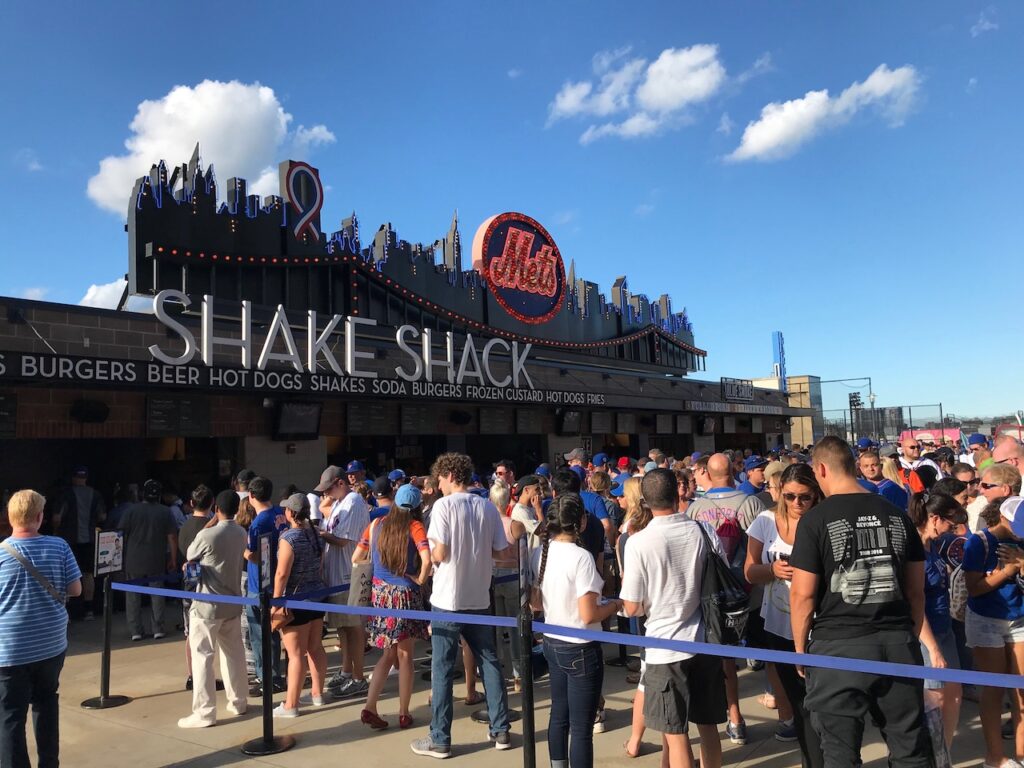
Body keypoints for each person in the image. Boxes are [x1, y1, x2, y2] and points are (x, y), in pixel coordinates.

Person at [789, 436, 932, 767]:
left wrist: (800, 648)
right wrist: (908, 633)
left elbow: (802, 594)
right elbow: (915, 591)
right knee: (910, 745)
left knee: (840, 751)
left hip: (837, 647)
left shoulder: (815, 520)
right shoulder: (898, 516)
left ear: (821, 468)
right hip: (896, 642)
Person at [410, 452, 520, 759]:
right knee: (490, 662)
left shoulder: (443, 507)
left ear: (448, 476)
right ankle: (501, 730)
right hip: (479, 597)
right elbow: (501, 551)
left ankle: (440, 738)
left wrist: (433, 553)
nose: (438, 484)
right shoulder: (486, 505)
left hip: (447, 599)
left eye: (439, 479)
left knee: (442, 670)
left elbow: (440, 553)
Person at [621, 469, 726, 768]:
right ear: (677, 493)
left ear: (644, 500)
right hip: (707, 640)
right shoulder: (704, 531)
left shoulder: (639, 543)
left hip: (664, 646)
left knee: (676, 732)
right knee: (708, 725)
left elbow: (632, 607)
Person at [530, 494, 622, 768]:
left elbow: (536, 603)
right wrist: (615, 604)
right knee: (581, 729)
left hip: (553, 641)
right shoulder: (581, 558)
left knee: (558, 715)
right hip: (581, 646)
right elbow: (589, 614)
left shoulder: (540, 553)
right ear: (580, 522)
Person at [744, 463, 824, 768]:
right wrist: (772, 569)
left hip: (818, 626)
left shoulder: (821, 519)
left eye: (804, 496)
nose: (797, 504)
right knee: (798, 702)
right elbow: (749, 572)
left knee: (820, 705)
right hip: (778, 625)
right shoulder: (765, 522)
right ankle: (810, 759)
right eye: (789, 496)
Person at [685, 452, 763, 743]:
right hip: (747, 592)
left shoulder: (695, 509)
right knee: (759, 655)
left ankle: (727, 718)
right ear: (734, 472)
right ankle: (747, 717)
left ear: (708, 473)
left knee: (718, 658)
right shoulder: (751, 503)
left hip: (710, 594)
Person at [0, 490, 82, 768]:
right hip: (50, 645)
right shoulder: (59, 546)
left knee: (10, 716)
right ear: (40, 516)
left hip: (9, 650)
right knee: (46, 704)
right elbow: (75, 588)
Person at [356, 483, 431, 730]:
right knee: (406, 655)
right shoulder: (415, 526)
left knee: (388, 652)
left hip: (380, 595)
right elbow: (427, 559)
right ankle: (403, 712)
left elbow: (356, 557)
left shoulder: (376, 525)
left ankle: (370, 705)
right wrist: (420, 579)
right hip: (404, 595)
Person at [177, 490, 249, 728]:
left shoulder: (208, 534)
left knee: (203, 657)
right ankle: (238, 701)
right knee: (234, 653)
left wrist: (210, 524)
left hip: (207, 604)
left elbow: (190, 553)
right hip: (233, 602)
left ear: (217, 508)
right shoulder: (241, 532)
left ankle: (205, 712)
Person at [962, 495, 1024, 768]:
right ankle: (995, 758)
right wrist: (1009, 569)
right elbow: (974, 588)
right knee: (994, 691)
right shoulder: (979, 542)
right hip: (986, 619)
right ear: (1003, 517)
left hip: (1020, 619)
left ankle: (1021, 757)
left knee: (1021, 692)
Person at [907, 491, 966, 752]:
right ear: (934, 518)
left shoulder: (933, 546)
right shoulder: (914, 549)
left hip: (944, 629)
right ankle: (932, 757)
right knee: (934, 702)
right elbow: (915, 603)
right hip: (925, 636)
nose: (953, 530)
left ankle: (944, 755)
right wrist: (933, 649)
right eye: (950, 525)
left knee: (953, 695)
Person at [317, 465, 372, 699]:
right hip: (337, 574)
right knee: (342, 627)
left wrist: (321, 534)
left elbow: (343, 540)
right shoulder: (340, 503)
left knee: (354, 627)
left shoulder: (354, 502)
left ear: (340, 483)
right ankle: (347, 670)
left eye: (329, 488)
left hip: (349, 575)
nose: (326, 493)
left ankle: (359, 676)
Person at [271, 493, 328, 717]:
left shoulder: (289, 538)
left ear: (291, 513)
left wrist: (276, 601)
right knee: (315, 647)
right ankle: (317, 693)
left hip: (296, 601)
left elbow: (282, 573)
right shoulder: (315, 534)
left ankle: (291, 704)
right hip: (317, 596)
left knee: (295, 655)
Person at [241, 476, 287, 697]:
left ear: (251, 496)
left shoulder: (258, 524)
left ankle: (266, 676)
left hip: (259, 583)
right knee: (274, 632)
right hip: (278, 580)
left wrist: (244, 551)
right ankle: (275, 673)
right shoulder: (280, 513)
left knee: (259, 634)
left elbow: (256, 555)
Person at [119, 479, 177, 641]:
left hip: (133, 559)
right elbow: (172, 537)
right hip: (156, 559)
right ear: (159, 495)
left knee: (132, 596)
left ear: (143, 493)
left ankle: (135, 630)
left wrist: (119, 558)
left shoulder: (131, 511)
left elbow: (120, 534)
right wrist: (172, 558)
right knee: (157, 593)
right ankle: (158, 628)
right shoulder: (165, 512)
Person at [52, 466, 104, 620]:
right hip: (89, 540)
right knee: (88, 574)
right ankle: (89, 610)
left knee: (66, 574)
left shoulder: (66, 494)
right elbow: (102, 516)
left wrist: (56, 531)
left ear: (73, 478)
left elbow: (56, 518)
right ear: (86, 478)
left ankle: (69, 610)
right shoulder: (96, 494)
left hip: (69, 541)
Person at [178, 485, 214, 691]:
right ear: (211, 504)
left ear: (191, 504)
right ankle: (207, 675)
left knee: (190, 632)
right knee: (210, 633)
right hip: (208, 584)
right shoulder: (211, 528)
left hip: (187, 583)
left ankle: (192, 675)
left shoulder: (184, 526)